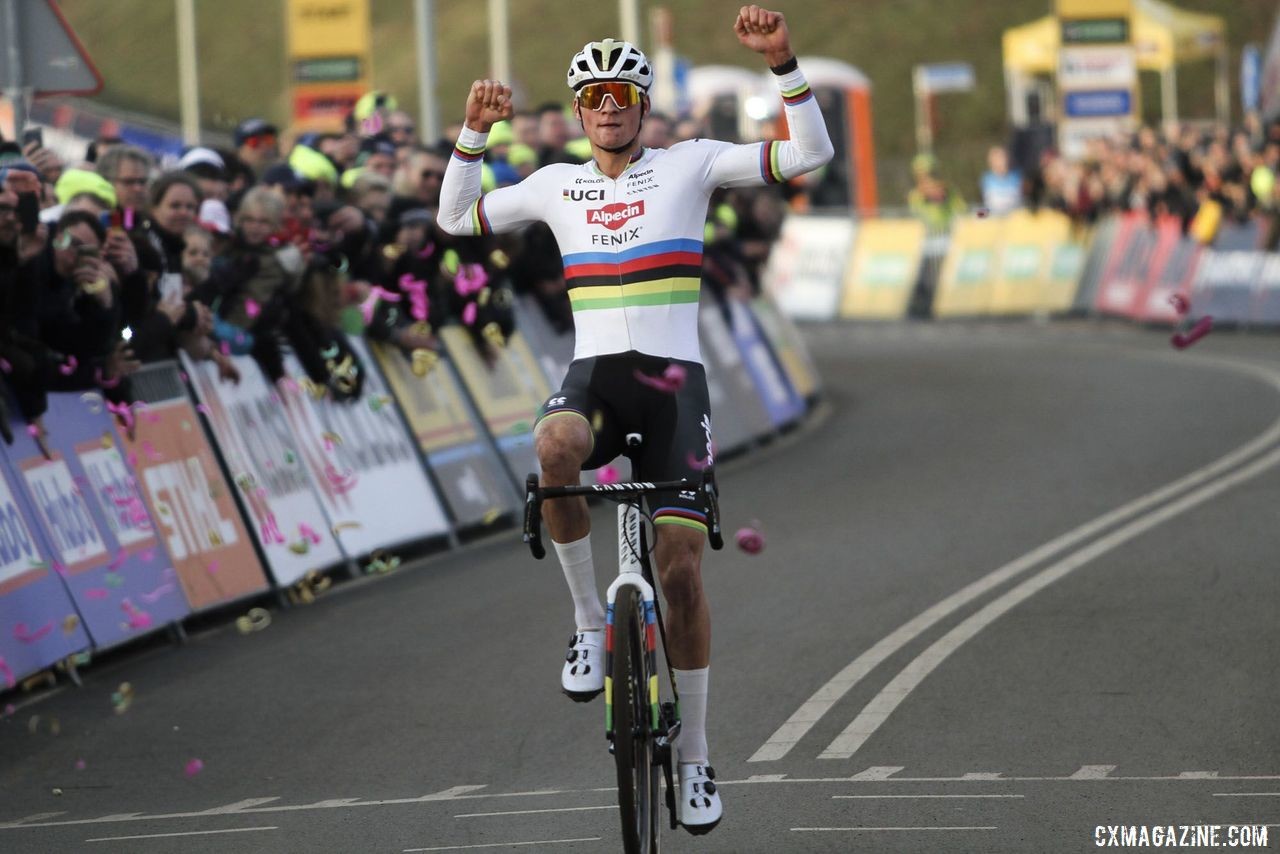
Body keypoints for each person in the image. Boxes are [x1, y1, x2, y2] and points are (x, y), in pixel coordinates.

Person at [437, 5, 832, 835]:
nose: (607, 106)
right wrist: (472, 136)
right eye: (592, 97)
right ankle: (588, 623)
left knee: (681, 570)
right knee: (554, 446)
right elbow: (455, 219)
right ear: (579, 113)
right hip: (595, 377)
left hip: (673, 388)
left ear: (642, 105)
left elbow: (808, 154)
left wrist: (783, 63)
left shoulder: (689, 165)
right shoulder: (553, 184)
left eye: (621, 93)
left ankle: (693, 756)